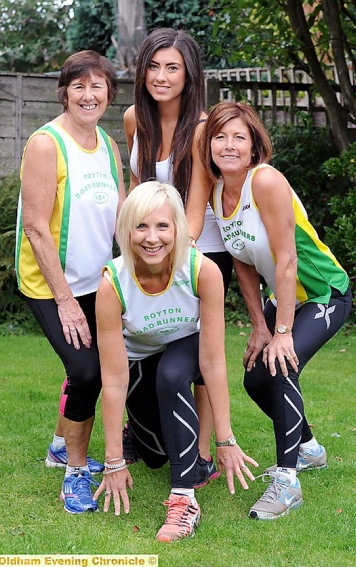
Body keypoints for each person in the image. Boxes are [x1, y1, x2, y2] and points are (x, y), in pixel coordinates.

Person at [198, 101, 352, 520]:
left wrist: (281, 332)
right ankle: (309, 449)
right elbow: (244, 264)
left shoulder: (265, 181)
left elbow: (286, 261)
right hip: (280, 298)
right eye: (220, 136)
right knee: (253, 378)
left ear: (254, 146)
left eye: (239, 138)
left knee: (282, 365)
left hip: (324, 292)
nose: (228, 145)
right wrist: (259, 327)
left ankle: (288, 481)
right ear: (209, 143)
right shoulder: (216, 192)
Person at [93, 180, 258, 541]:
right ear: (127, 230)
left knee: (171, 375)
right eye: (142, 226)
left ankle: (184, 500)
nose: (152, 238)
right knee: (155, 456)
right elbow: (115, 380)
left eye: (162, 226)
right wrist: (113, 460)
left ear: (178, 229)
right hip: (140, 360)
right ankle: (144, 440)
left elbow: (213, 363)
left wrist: (225, 439)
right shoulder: (112, 284)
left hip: (187, 348)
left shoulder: (202, 270)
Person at [15, 50, 126, 514]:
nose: (88, 94)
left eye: (97, 86)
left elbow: (120, 218)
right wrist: (64, 300)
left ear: (109, 94)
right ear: (65, 92)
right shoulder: (46, 144)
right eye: (78, 86)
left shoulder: (109, 144)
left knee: (97, 365)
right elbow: (38, 228)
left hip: (94, 280)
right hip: (50, 284)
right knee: (86, 372)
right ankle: (74, 473)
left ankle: (61, 445)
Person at [122, 27, 233, 486]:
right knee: (149, 345)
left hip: (198, 252)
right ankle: (142, 430)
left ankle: (203, 452)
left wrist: (170, 261)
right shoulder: (134, 119)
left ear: (190, 75)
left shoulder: (203, 127)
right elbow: (137, 192)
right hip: (153, 246)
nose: (161, 76)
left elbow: (196, 203)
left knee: (201, 359)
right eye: (154, 66)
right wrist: (132, 253)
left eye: (173, 68)